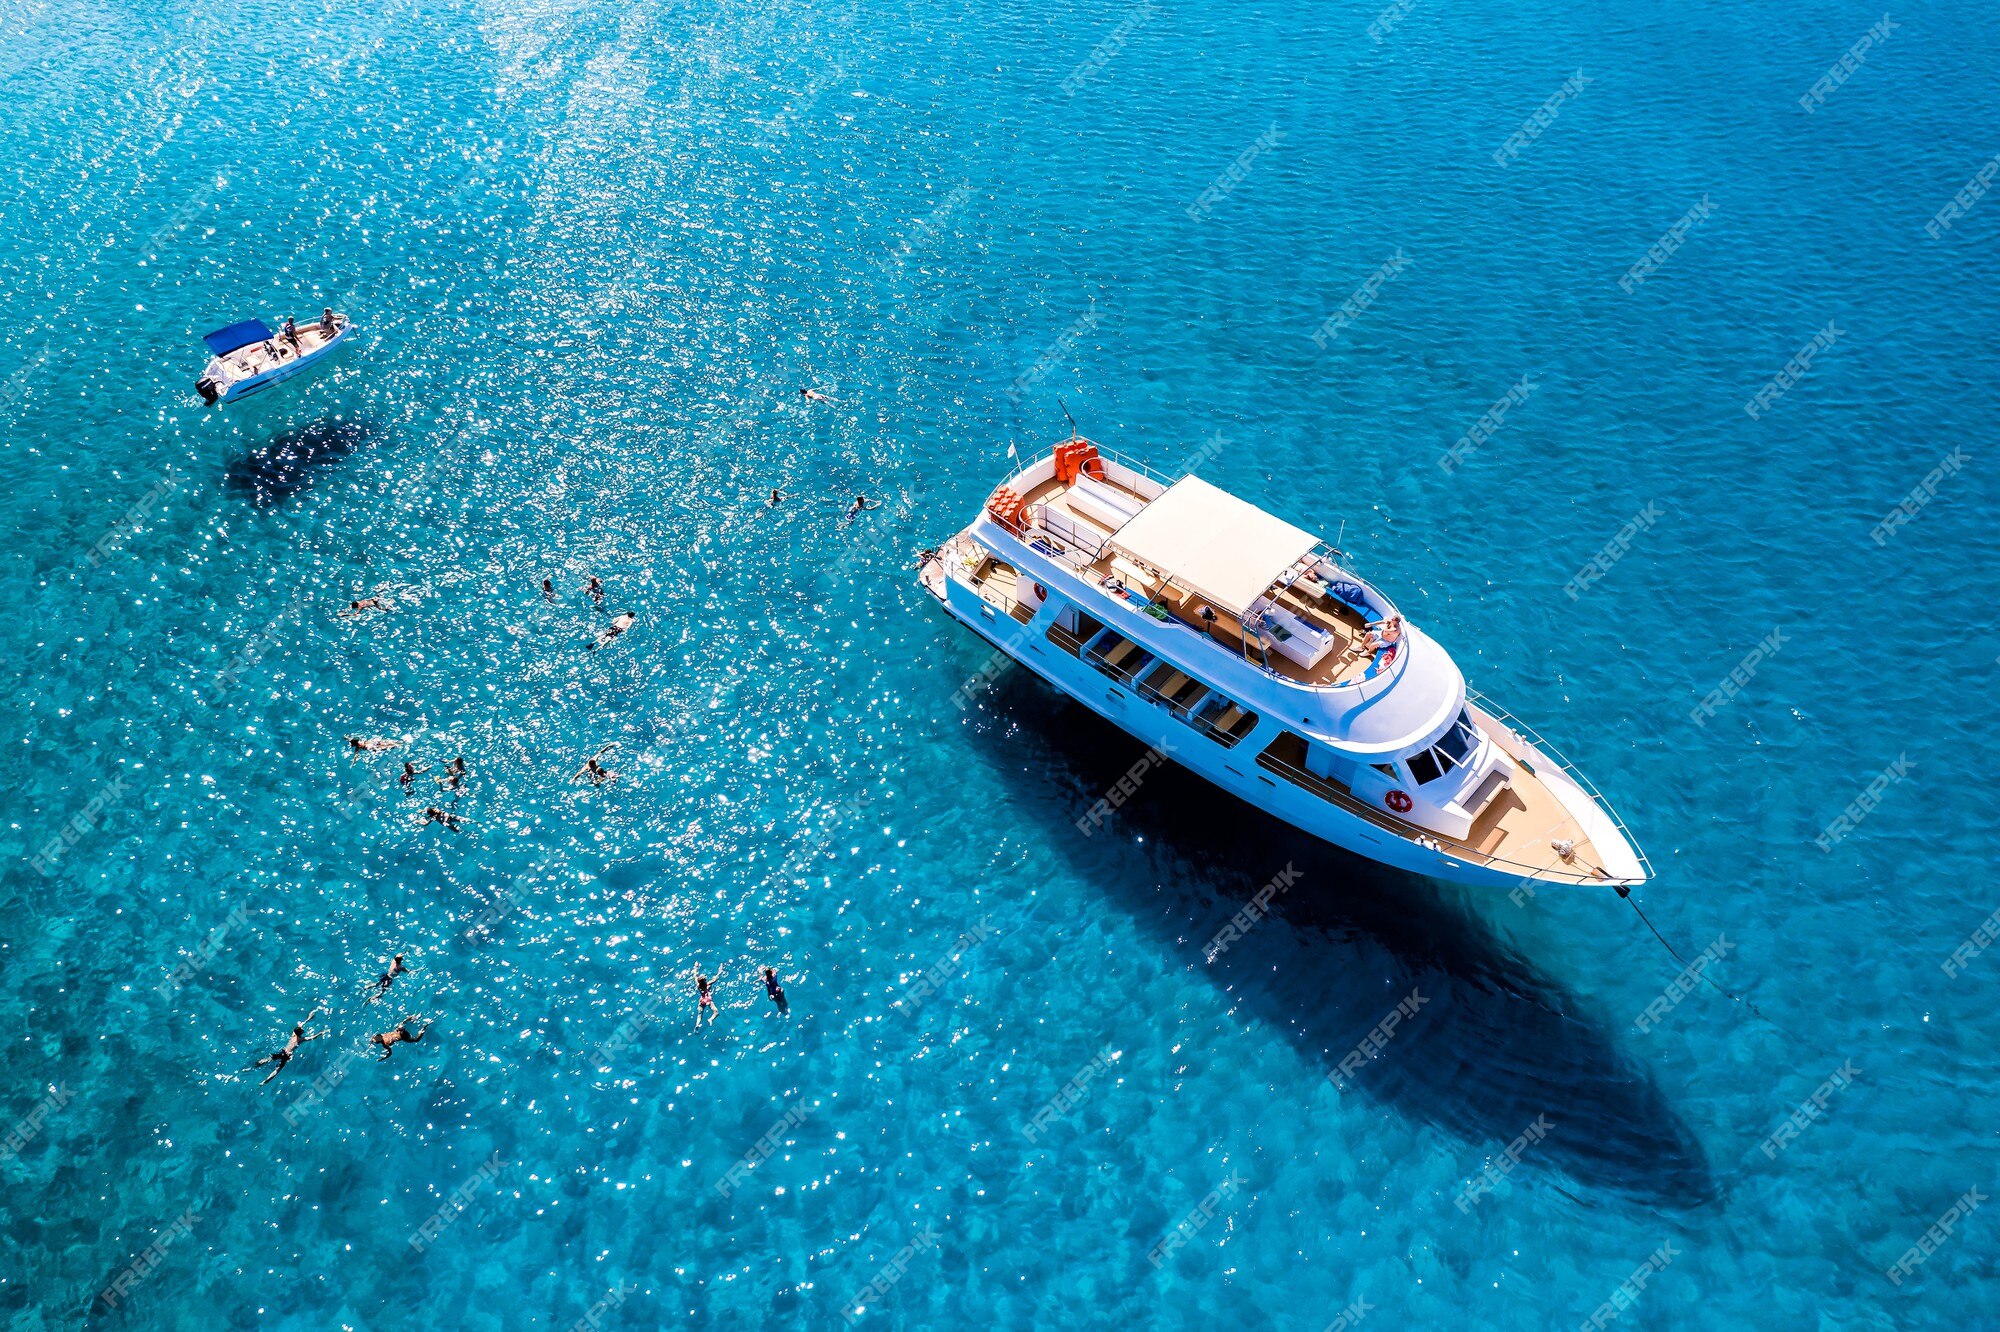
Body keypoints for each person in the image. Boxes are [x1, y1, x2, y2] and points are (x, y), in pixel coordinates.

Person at [249, 1008, 326, 1085]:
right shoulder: (301, 1039)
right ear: (300, 1033)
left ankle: (252, 1067)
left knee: (267, 1059)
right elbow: (312, 1037)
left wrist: (309, 1018)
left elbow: (301, 1025)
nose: (302, 1029)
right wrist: (320, 1033)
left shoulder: (294, 1033)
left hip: (282, 1051)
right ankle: (264, 1082)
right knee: (277, 1071)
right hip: (286, 1056)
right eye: (302, 1030)